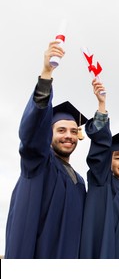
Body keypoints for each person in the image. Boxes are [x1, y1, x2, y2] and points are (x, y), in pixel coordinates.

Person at [5, 41, 87, 258]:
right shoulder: (38, 163)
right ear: (47, 134)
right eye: (61, 130)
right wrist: (47, 73)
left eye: (72, 131)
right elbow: (32, 135)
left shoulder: (79, 181)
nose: (68, 136)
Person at [80, 80, 119, 258]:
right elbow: (100, 150)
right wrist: (102, 105)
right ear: (109, 162)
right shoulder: (102, 181)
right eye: (117, 158)